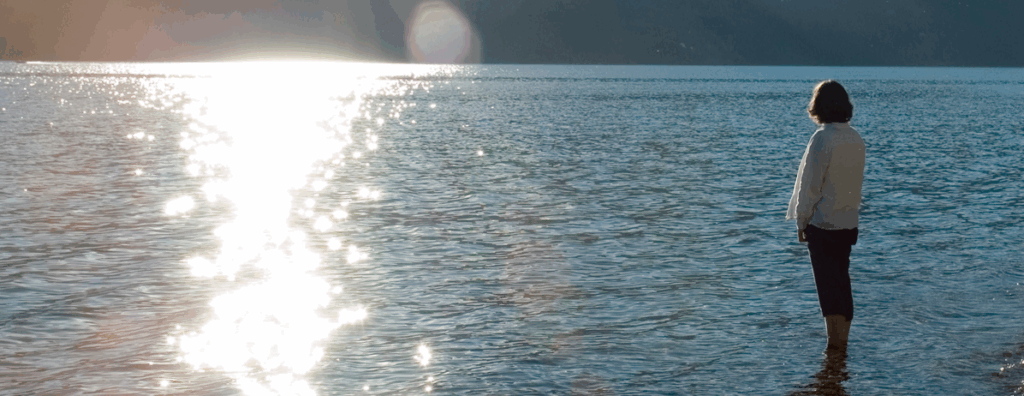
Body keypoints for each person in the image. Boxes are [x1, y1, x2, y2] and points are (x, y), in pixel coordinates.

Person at [786, 80, 865, 351]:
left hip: (823, 225)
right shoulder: (855, 138)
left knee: (827, 287)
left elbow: (810, 186)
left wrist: (801, 220)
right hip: (848, 222)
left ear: (819, 106)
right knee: (842, 282)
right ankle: (842, 342)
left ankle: (833, 346)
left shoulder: (822, 138)